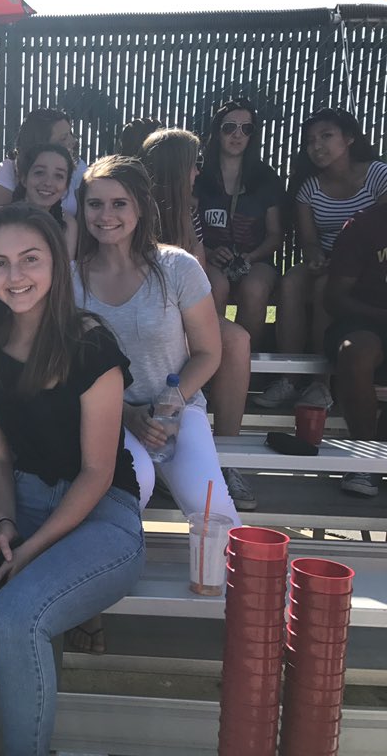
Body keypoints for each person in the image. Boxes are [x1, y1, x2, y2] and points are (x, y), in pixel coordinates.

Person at [0, 203, 145, 755]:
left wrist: (30, 549)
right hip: (21, 502)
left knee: (15, 619)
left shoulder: (91, 344)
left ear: (56, 264)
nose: (14, 277)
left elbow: (97, 471)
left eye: (29, 259)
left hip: (100, 515)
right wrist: (4, 524)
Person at [72, 155, 241, 529]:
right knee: (136, 487)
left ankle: (241, 582)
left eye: (119, 203)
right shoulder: (70, 281)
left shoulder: (178, 267)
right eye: (95, 204)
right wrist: (127, 416)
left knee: (211, 507)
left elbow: (209, 352)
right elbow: (71, 369)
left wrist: (171, 403)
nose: (106, 214)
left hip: (177, 408)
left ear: (141, 207)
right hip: (106, 418)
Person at [139, 128, 256, 511]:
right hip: (149, 316)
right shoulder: (133, 210)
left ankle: (227, 457)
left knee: (235, 340)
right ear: (178, 167)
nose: (198, 172)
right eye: (194, 164)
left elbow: (199, 278)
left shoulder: (191, 212)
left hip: (185, 311)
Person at [256, 107, 387, 409]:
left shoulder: (378, 174)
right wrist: (314, 256)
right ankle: (288, 378)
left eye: (326, 136)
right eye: (310, 140)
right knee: (290, 282)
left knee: (323, 289)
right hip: (328, 258)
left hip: (368, 266)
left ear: (350, 138)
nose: (317, 146)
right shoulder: (309, 188)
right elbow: (310, 240)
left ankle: (321, 384)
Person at [196, 99, 284, 348]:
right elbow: (186, 228)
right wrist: (210, 252)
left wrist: (251, 256)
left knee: (255, 288)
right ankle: (209, 359)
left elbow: (275, 235)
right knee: (216, 285)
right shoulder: (199, 176)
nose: (237, 134)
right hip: (209, 257)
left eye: (246, 129)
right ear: (216, 132)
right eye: (229, 127)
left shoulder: (267, 178)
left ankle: (245, 362)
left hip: (256, 259)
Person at [324, 204, 387, 497]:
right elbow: (335, 299)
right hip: (366, 323)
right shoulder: (365, 225)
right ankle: (367, 458)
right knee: (356, 350)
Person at [0, 107, 85, 218]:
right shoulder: (7, 170)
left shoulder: (79, 166)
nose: (73, 141)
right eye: (64, 138)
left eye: (59, 175)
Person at [13, 142, 79, 258]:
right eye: (39, 172)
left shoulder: (68, 225)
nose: (48, 182)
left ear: (66, 187)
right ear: (23, 179)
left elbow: (66, 272)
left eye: (58, 176)